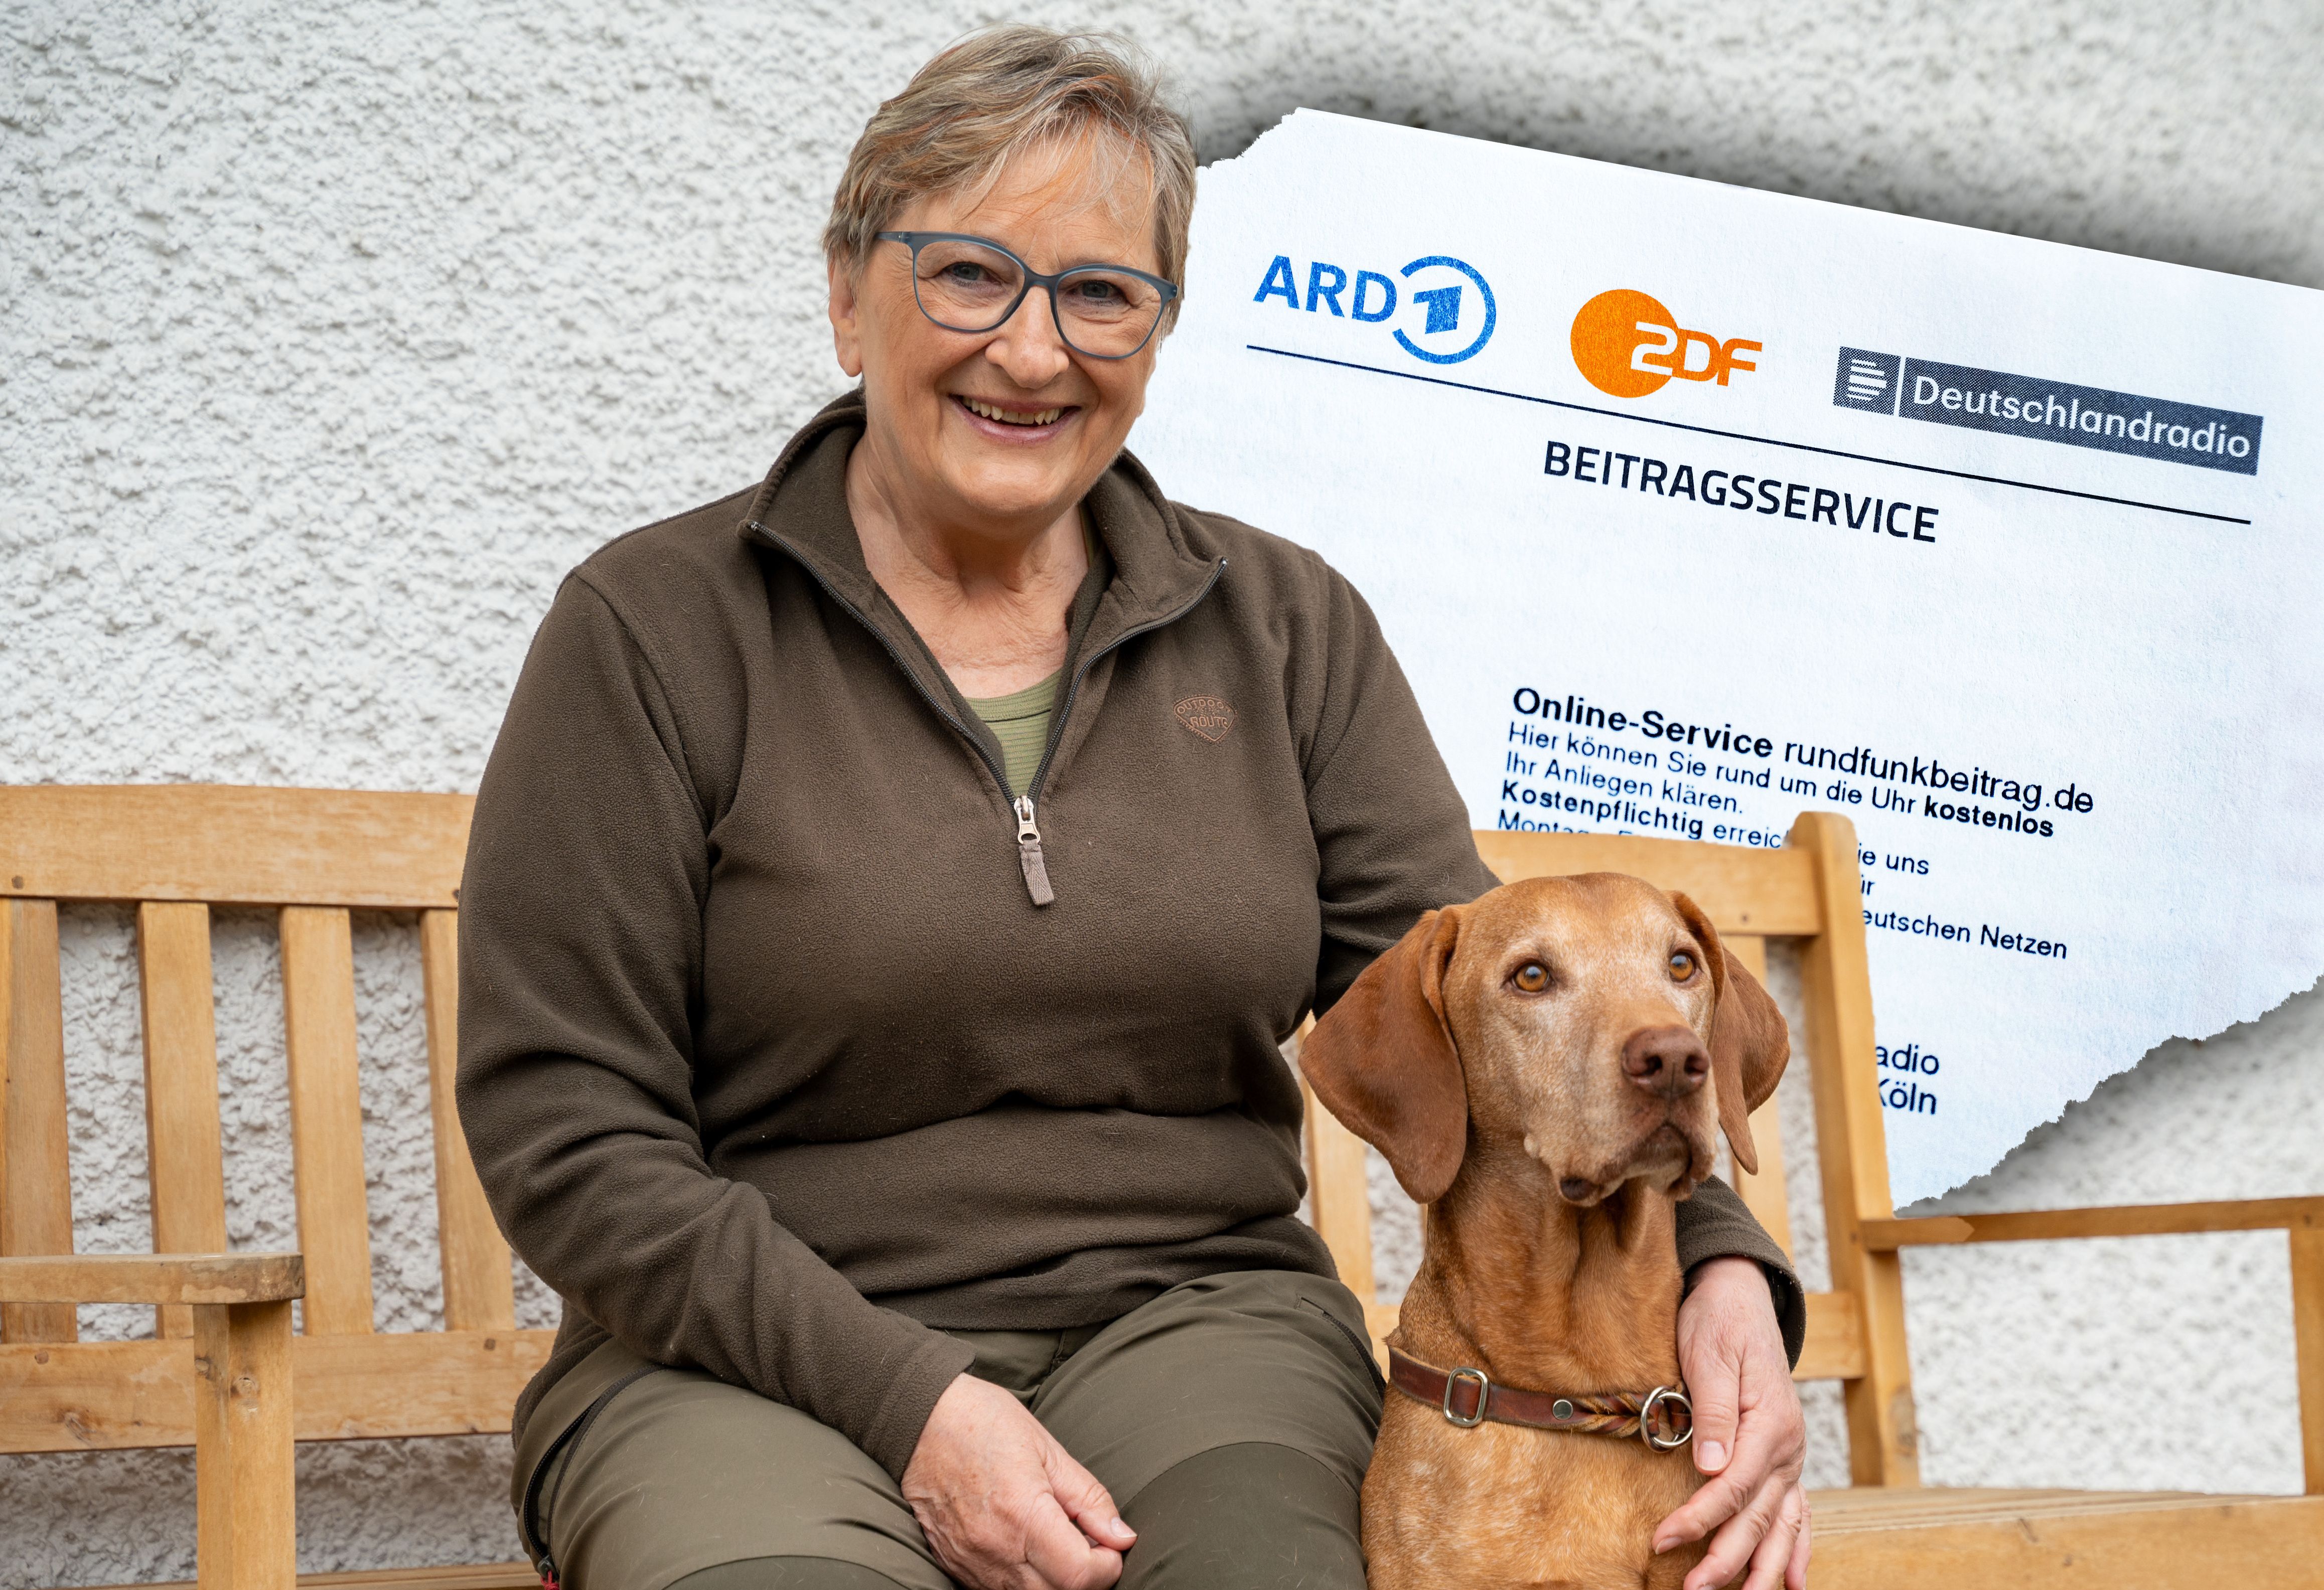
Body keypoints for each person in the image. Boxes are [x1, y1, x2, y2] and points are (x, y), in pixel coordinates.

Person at [457, 26, 1811, 1590]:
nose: (1034, 353)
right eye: (970, 274)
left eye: (1101, 294)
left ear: (1158, 332)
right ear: (847, 294)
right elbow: (569, 1126)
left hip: (1201, 1329)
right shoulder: (652, 631)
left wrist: (1722, 1264)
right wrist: (913, 1401)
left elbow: (1483, 1002)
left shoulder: (1286, 627)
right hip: (743, 1363)